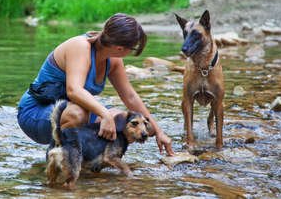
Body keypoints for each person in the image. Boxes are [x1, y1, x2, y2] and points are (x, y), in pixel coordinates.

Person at [17, 13, 174, 156]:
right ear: (120, 48)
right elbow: (74, 90)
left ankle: (93, 164)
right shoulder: (80, 46)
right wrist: (104, 115)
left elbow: (130, 97)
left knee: (124, 122)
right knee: (79, 114)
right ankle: (59, 160)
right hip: (35, 113)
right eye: (132, 49)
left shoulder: (113, 60)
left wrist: (159, 132)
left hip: (68, 111)